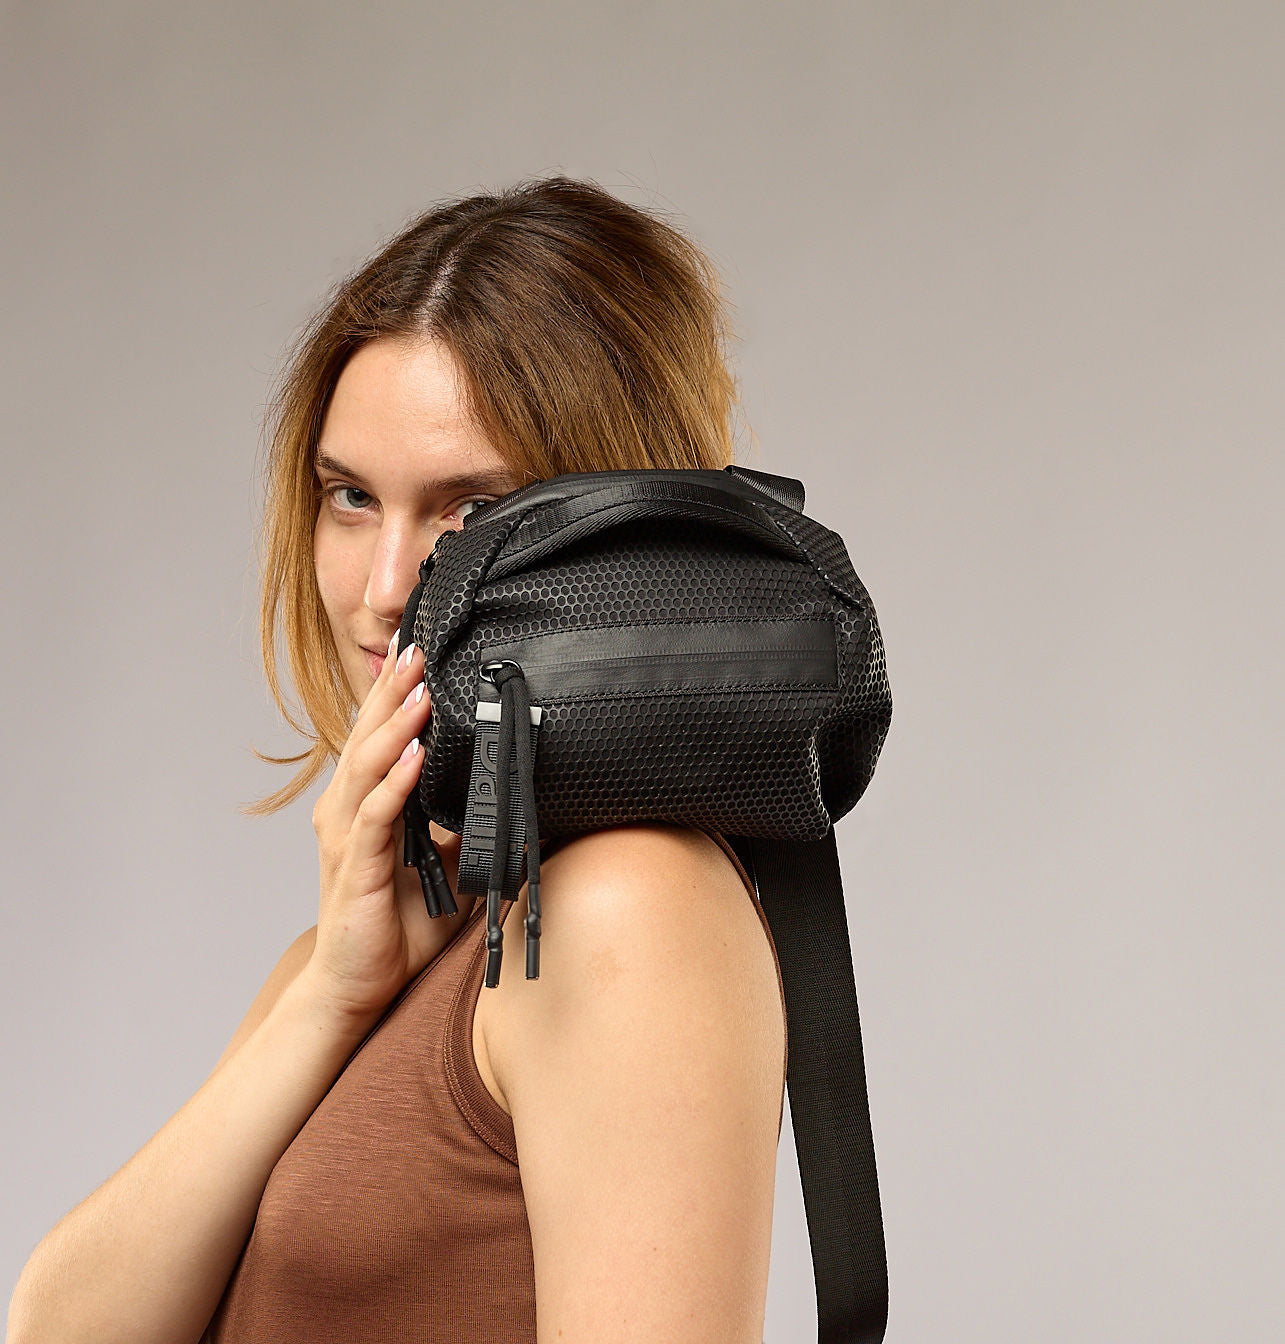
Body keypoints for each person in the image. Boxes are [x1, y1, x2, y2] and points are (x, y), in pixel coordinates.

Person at [7, 176, 788, 1344]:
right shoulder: (365, 949)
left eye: (467, 510)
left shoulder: (628, 905)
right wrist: (330, 994)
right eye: (350, 497)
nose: (382, 590)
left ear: (622, 523)